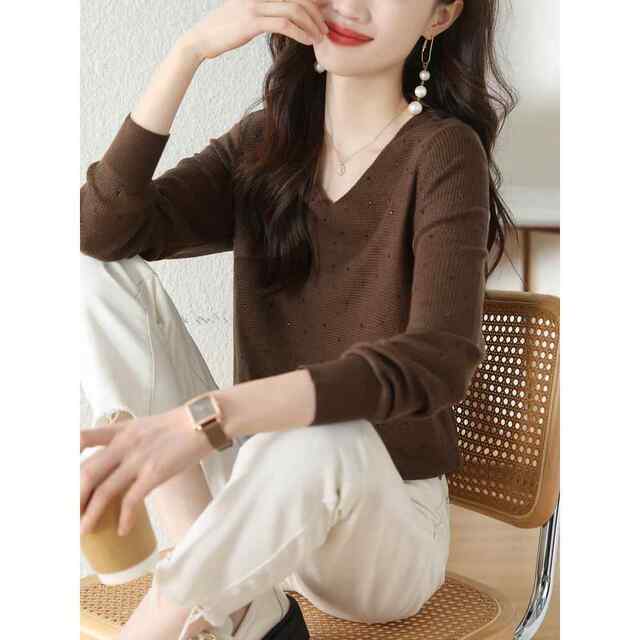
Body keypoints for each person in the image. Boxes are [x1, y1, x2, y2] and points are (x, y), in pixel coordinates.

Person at [79, 1, 517, 638]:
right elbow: (100, 231)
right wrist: (189, 51)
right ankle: (245, 605)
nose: (350, 3)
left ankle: (162, 620)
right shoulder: (266, 143)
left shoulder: (445, 153)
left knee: (319, 435)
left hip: (375, 526)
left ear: (440, 16)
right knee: (88, 271)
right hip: (253, 498)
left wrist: (212, 416)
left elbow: (437, 360)